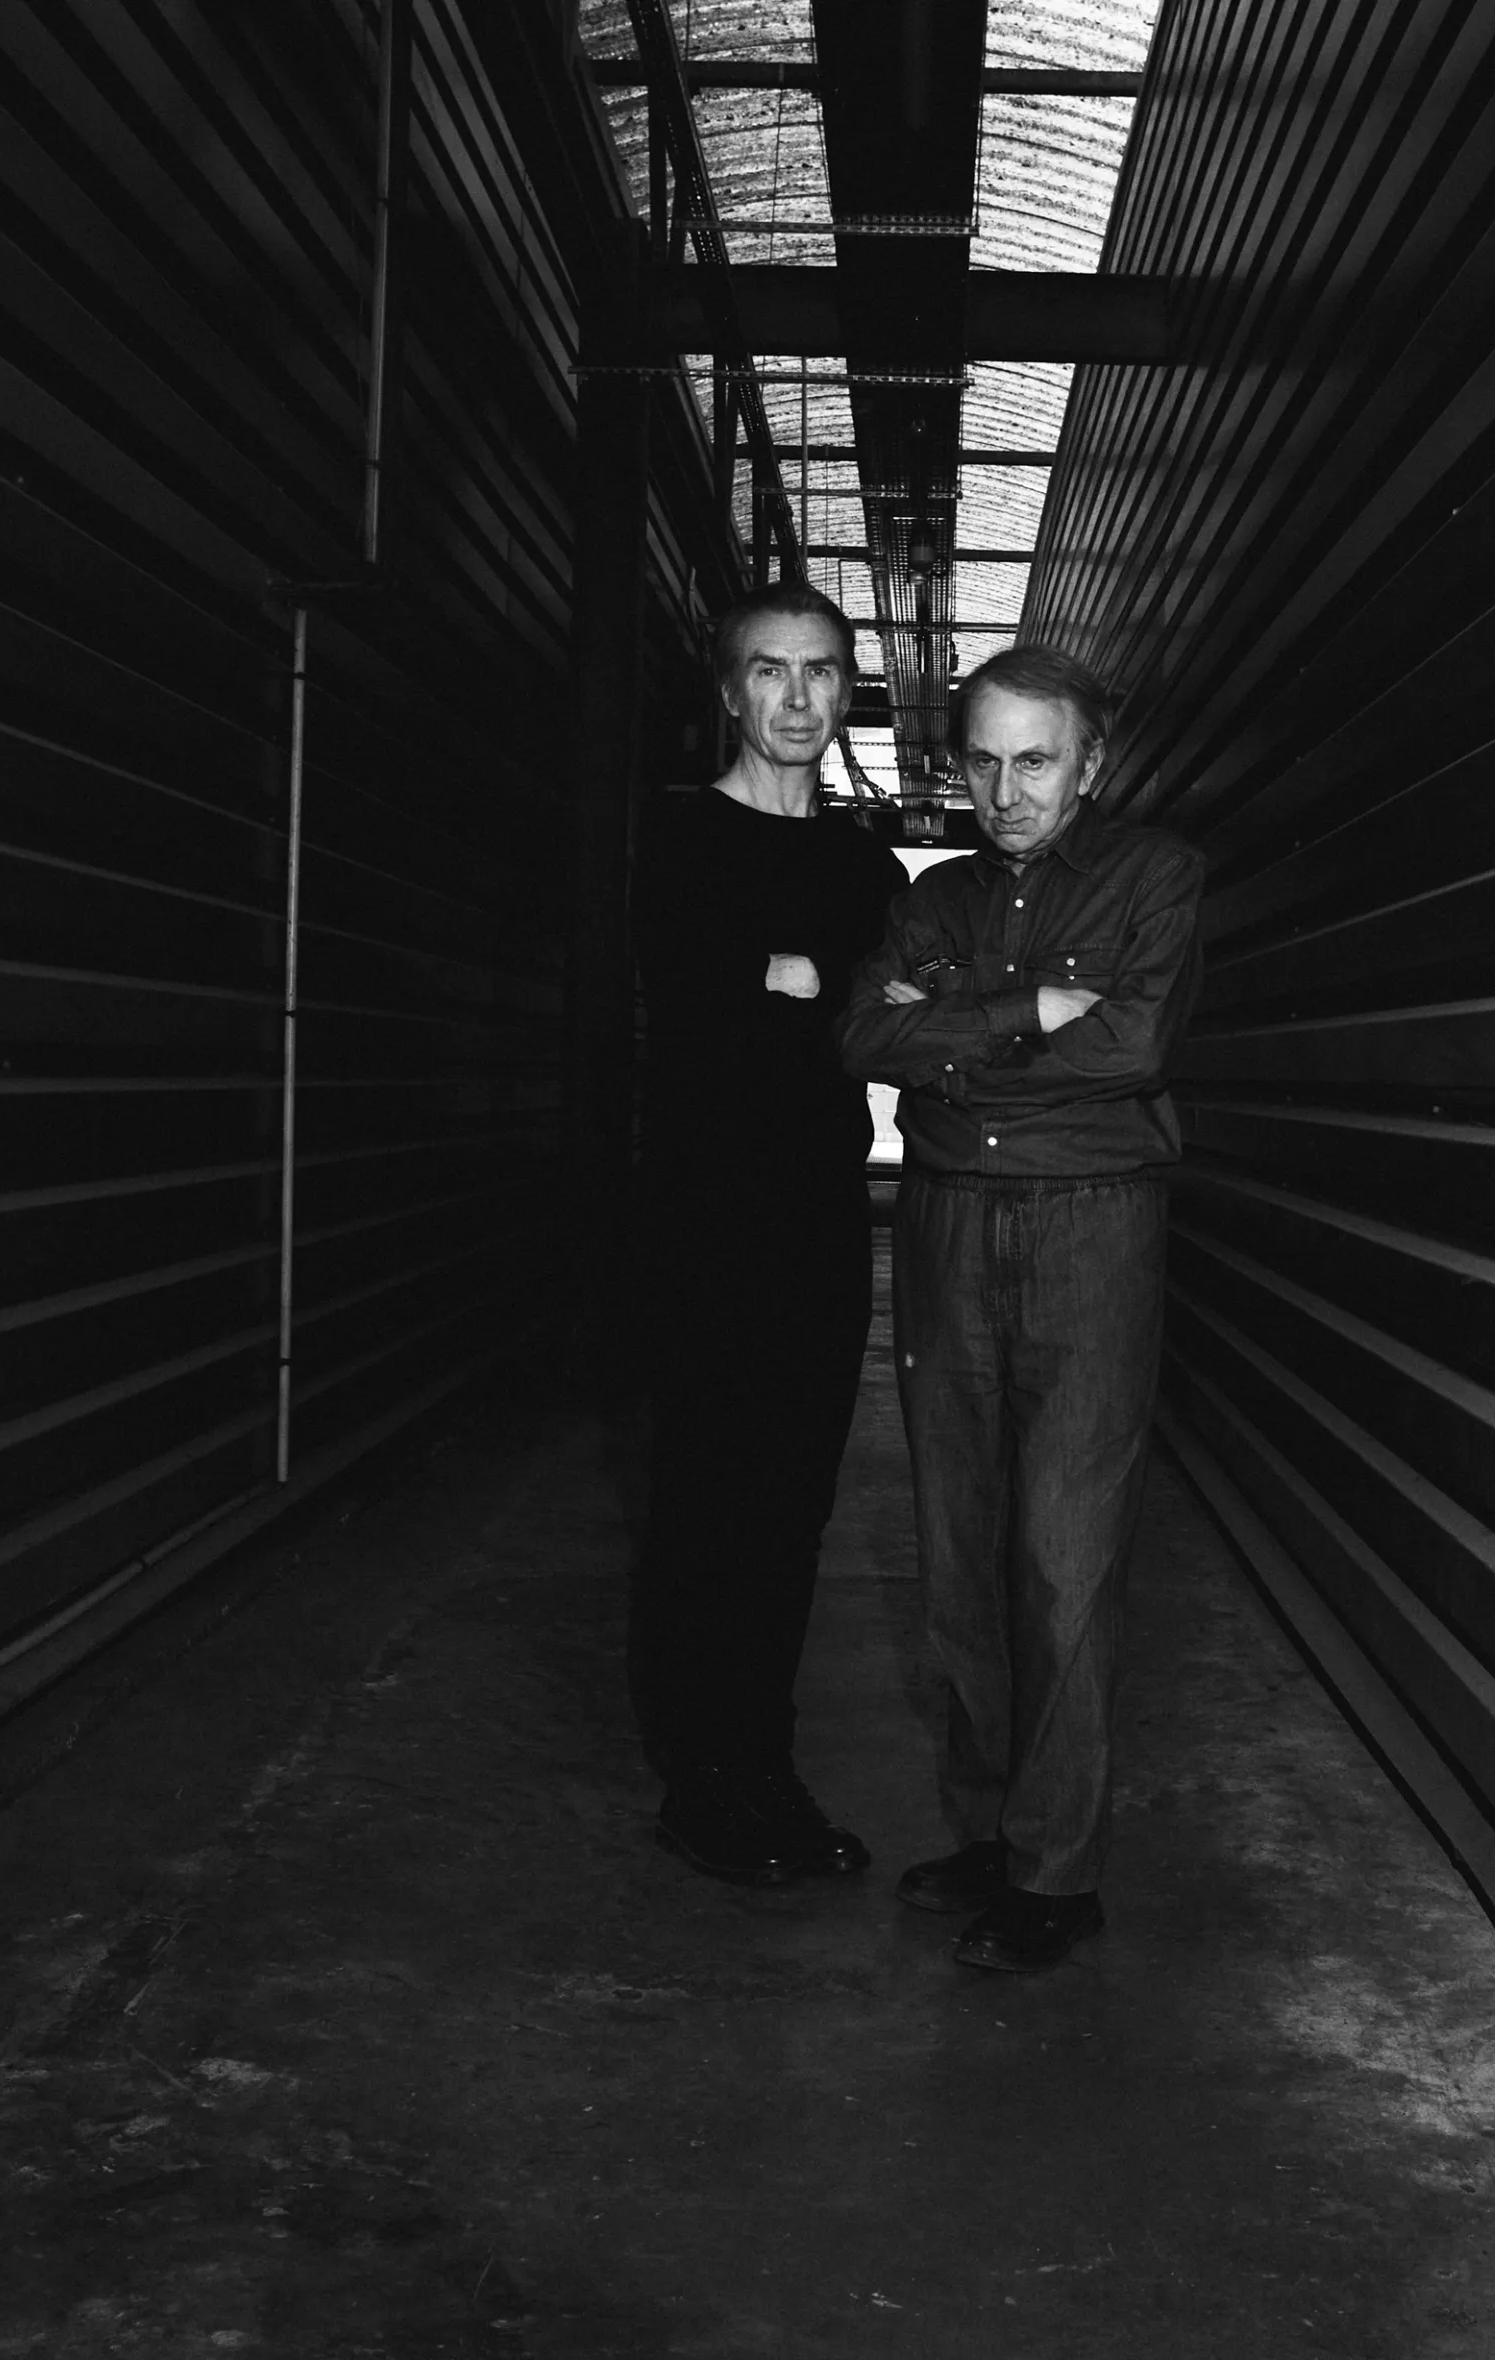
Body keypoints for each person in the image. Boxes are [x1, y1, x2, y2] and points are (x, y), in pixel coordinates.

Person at [838, 645, 1205, 1972]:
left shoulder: (1156, 876)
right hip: (943, 1231)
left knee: (1063, 1558)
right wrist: (1025, 1015)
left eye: (1036, 760)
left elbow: (1136, 1048)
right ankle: (1002, 1825)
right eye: (983, 760)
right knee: (960, 1554)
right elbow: (862, 1042)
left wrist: (955, 1037)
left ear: (1090, 764)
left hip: (1090, 1233)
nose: (1006, 789)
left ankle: (1056, 1874)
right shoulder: (935, 899)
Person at [631, 580, 906, 1885]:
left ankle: (765, 1765)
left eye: (821, 672)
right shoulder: (676, 835)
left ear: (846, 689)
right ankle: (700, 1778)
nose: (797, 698)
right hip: (699, 1215)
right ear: (729, 691)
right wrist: (796, 988)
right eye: (770, 672)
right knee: (703, 1496)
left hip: (816, 1217)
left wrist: (789, 984)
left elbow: (869, 1010)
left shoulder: (863, 861)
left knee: (792, 1505)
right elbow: (683, 1002)